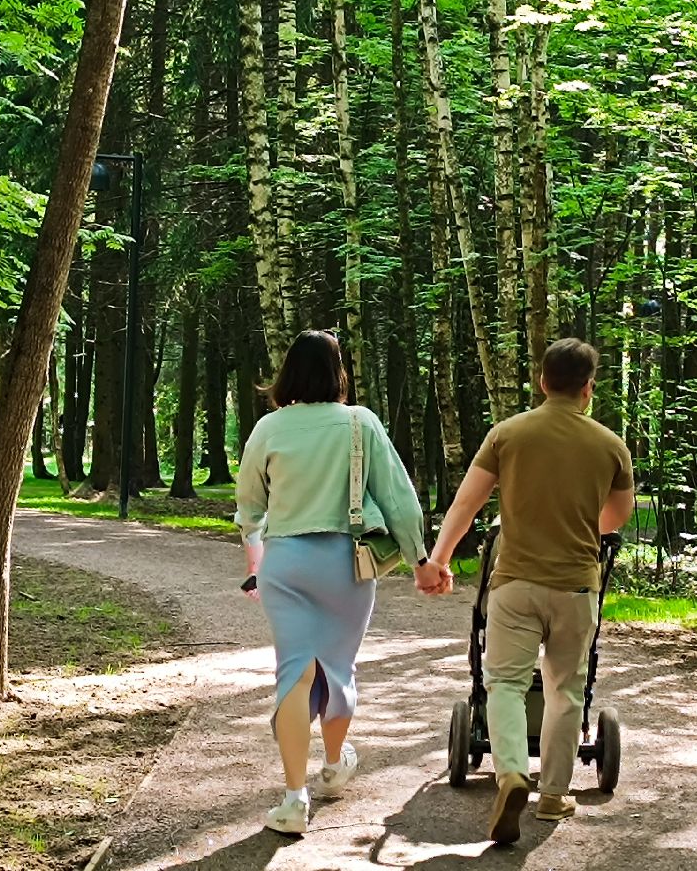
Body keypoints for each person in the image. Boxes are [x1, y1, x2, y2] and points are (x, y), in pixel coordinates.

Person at [236, 330, 448, 836]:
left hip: (285, 563)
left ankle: (294, 799)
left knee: (294, 673)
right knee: (336, 668)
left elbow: (250, 509)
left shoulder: (268, 428)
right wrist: (420, 561)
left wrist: (257, 559)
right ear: (338, 374)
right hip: (344, 565)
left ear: (288, 373)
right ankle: (333, 766)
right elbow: (398, 500)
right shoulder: (360, 423)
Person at [425, 338, 636, 845]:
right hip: (576, 587)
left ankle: (512, 773)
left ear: (542, 381)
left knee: (504, 684)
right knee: (566, 690)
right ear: (588, 388)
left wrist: (438, 560)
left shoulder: (508, 434)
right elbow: (615, 518)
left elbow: (466, 505)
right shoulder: (611, 445)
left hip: (515, 583)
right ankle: (553, 794)